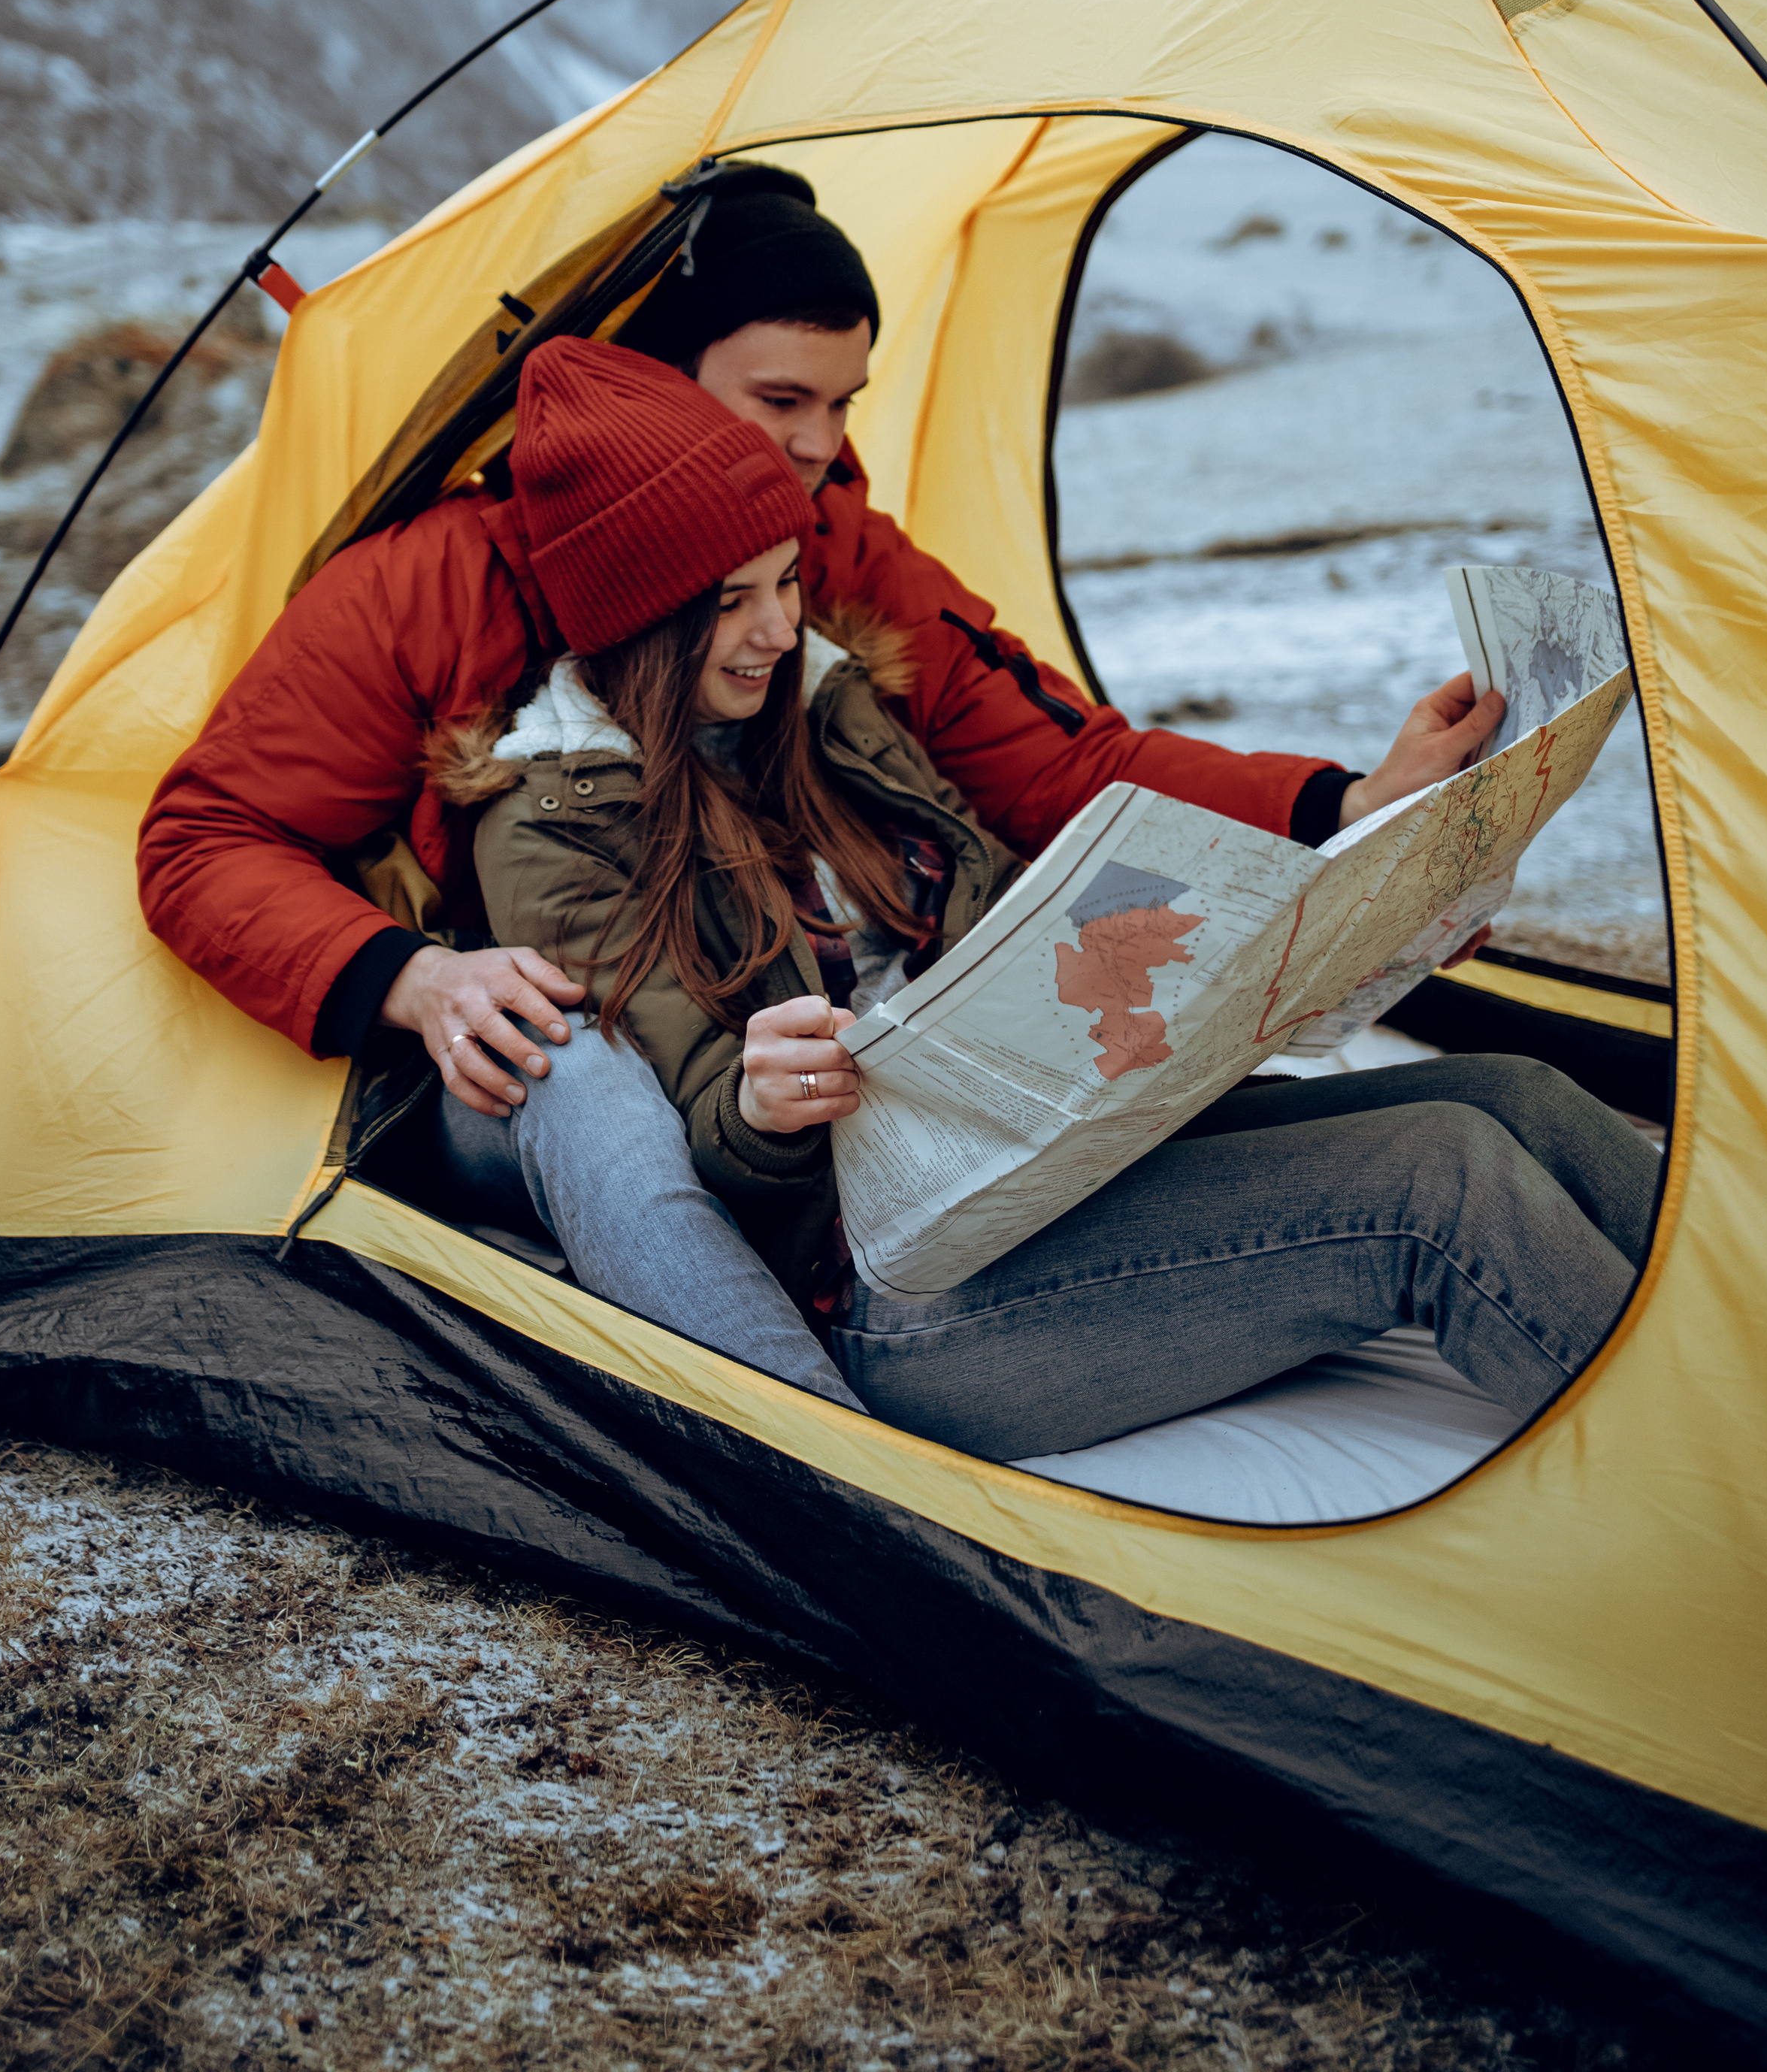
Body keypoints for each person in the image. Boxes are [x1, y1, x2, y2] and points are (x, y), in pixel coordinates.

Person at [138, 167, 1505, 1396]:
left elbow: (1057, 760)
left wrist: (1339, 811)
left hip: (777, 1059)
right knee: (574, 1052)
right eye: (779, 402)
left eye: (842, 404)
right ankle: (804, 1446)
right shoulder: (432, 586)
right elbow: (203, 839)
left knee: (1473, 1118)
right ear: (656, 380)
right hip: (507, 1046)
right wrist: (410, 979)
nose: (816, 447)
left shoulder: (824, 545)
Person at [458, 337, 1657, 1454]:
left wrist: (1329, 927)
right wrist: (766, 1111)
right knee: (1440, 1179)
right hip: (899, 1283)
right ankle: (1729, 1493)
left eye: (785, 582)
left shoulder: (824, 706)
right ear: (638, 618)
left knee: (1522, 1099)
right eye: (731, 603)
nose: (778, 629)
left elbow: (991, 922)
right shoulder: (554, 830)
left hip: (1054, 1156)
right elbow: (680, 1160)